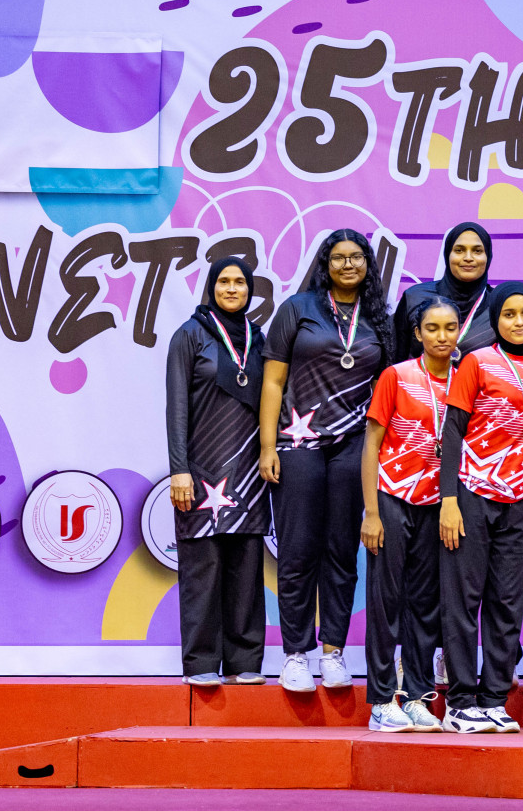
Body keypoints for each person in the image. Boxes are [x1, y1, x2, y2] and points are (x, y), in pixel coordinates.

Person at [260, 229, 392, 692]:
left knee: (341, 551)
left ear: (368, 265)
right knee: (297, 551)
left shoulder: (380, 317)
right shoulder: (298, 309)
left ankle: (334, 651)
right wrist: (267, 445)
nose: (348, 265)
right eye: (339, 258)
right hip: (298, 445)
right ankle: (296, 653)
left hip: (353, 448)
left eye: (357, 257)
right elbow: (273, 381)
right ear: (325, 263)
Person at [438, 282, 523, 733]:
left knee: (508, 603)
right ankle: (460, 703)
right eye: (508, 314)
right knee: (464, 600)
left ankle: (493, 699)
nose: (519, 321)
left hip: (521, 501)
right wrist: (448, 499)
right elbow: (452, 433)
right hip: (472, 492)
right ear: (495, 319)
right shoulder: (477, 362)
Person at [165, 257, 270, 687]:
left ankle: (245, 662)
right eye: (224, 282)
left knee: (246, 567)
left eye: (240, 282)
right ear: (211, 287)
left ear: (250, 289)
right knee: (201, 567)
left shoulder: (260, 338)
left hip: (247, 469)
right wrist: (179, 469)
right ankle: (202, 662)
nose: (232, 289)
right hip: (200, 468)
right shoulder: (189, 335)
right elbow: (176, 407)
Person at [359, 295, 461, 732]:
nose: (442, 336)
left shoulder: (465, 380)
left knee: (424, 604)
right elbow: (371, 445)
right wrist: (370, 512)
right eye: (432, 328)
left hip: (438, 505)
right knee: (386, 601)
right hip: (391, 498)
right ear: (417, 333)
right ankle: (382, 700)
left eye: (450, 328)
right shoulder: (396, 376)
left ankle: (417, 696)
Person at [395, 221, 494, 359]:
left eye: (477, 251)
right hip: (418, 380)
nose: (468, 258)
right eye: (459, 250)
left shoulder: (499, 305)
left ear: (488, 256)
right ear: (448, 254)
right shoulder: (414, 298)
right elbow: (395, 359)